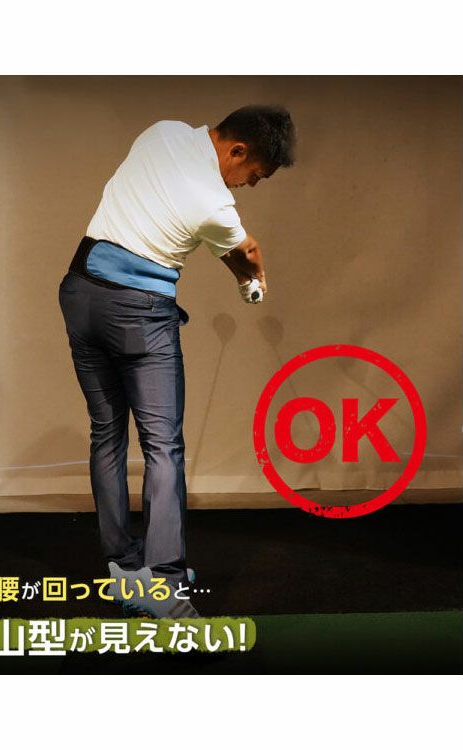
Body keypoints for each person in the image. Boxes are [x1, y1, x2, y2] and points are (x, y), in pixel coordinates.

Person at [58, 105, 296, 617]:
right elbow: (246, 251)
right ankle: (165, 585)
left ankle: (124, 570)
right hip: (137, 312)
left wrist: (238, 265)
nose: (248, 186)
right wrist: (252, 281)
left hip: (79, 291)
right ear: (238, 150)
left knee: (107, 432)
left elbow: (204, 231)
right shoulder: (217, 204)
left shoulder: (161, 132)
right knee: (163, 445)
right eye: (254, 175)